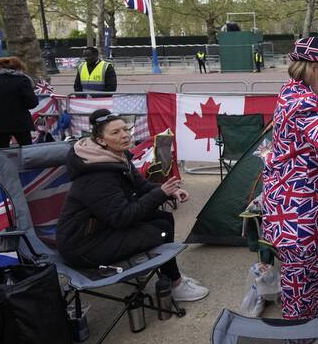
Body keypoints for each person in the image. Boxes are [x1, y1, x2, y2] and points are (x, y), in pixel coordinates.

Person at [56, 109, 209, 301]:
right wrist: (160, 193)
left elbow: (143, 186)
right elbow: (122, 217)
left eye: (125, 129)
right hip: (84, 246)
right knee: (160, 229)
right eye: (115, 132)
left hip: (103, 227)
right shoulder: (96, 174)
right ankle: (175, 284)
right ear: (101, 141)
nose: (125, 135)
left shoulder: (116, 157)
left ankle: (168, 277)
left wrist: (169, 191)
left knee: (163, 218)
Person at [260, 37, 318, 320]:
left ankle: (314, 315)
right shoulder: (306, 105)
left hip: (301, 206)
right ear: (311, 67)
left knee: (308, 271)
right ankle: (299, 334)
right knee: (301, 277)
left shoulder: (291, 94)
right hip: (301, 210)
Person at [0, 57, 39, 148]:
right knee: (27, 150)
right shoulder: (23, 81)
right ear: (19, 67)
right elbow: (32, 102)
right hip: (19, 122)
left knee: (2, 151)